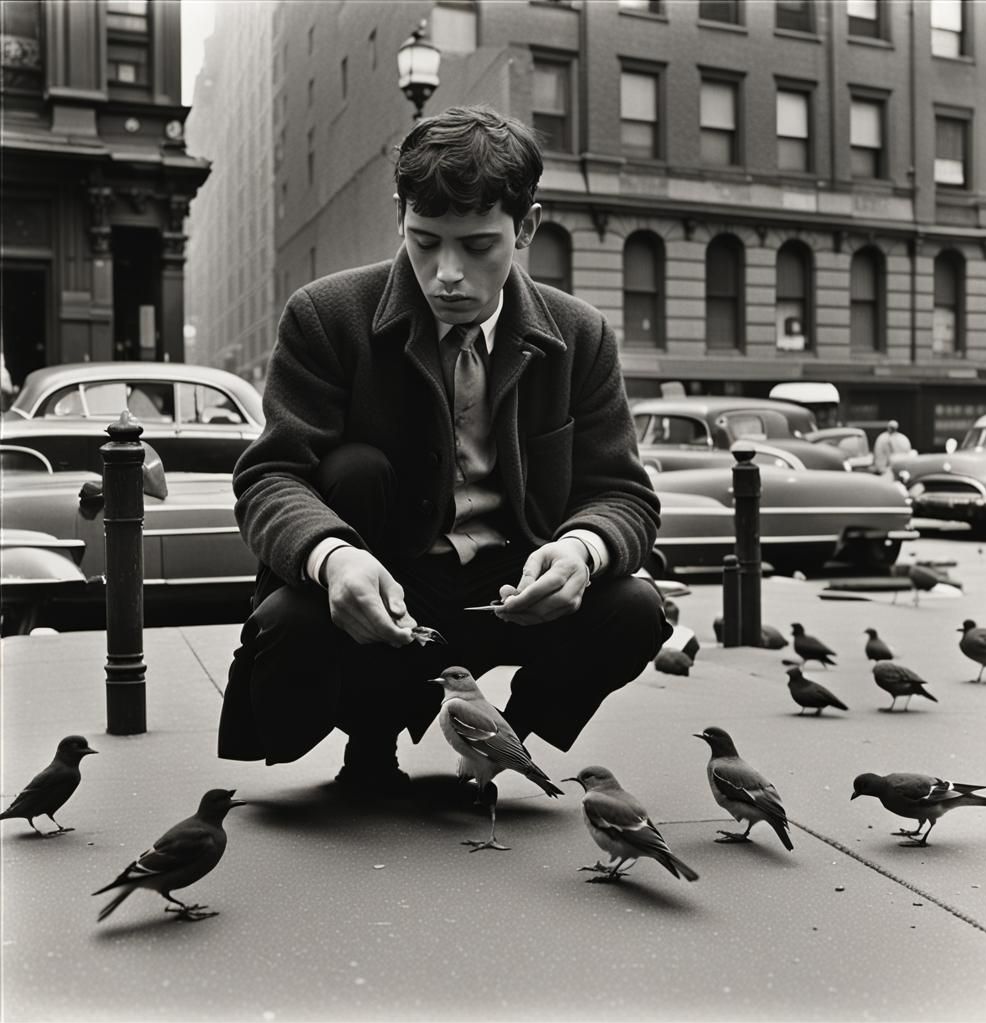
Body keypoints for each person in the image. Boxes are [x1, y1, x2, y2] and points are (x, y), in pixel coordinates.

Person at [218, 106, 670, 793]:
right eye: (423, 241)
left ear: (527, 227)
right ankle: (368, 740)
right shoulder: (326, 315)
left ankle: (501, 744)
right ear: (400, 215)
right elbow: (271, 478)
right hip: (385, 579)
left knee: (638, 609)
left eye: (478, 246)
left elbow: (625, 496)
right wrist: (334, 559)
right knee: (345, 489)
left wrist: (580, 551)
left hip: (514, 588)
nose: (446, 274)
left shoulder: (581, 335)